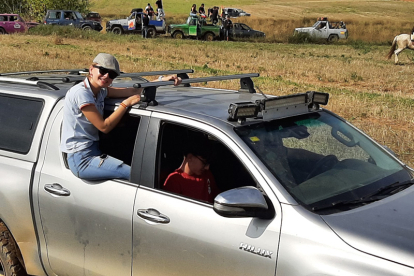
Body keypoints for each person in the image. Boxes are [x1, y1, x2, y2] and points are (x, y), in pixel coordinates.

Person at [60, 53, 181, 181]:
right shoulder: (81, 93)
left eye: (111, 75)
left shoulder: (100, 91)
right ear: (91, 69)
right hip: (81, 158)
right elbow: (104, 126)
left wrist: (162, 80)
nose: (106, 76)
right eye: (103, 70)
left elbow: (133, 91)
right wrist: (125, 104)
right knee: (137, 176)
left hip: (93, 149)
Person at [163, 138, 220, 203]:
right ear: (190, 157)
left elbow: (217, 196)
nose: (207, 168)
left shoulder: (206, 174)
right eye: (204, 163)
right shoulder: (174, 180)